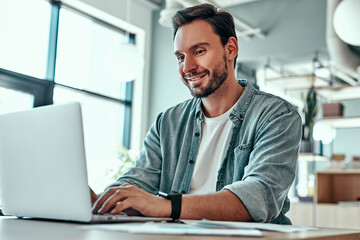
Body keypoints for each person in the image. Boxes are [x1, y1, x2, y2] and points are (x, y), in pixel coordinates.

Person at [92, 3, 302, 224]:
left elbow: (259, 197)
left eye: (199, 51)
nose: (188, 67)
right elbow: (137, 182)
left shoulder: (277, 116)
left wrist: (166, 206)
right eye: (180, 57)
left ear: (230, 49)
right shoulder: (168, 123)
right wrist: (97, 201)